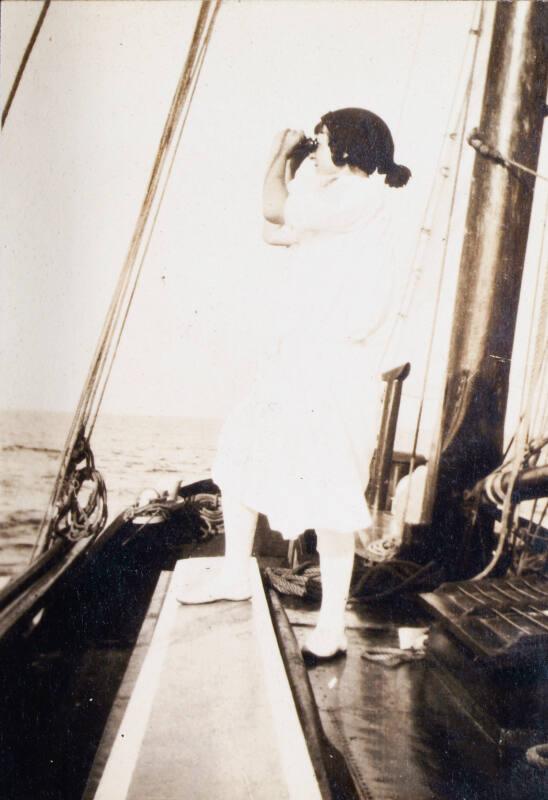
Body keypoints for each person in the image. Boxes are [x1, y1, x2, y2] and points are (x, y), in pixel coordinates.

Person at [177, 108, 411, 661]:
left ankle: (330, 627)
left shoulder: (361, 197)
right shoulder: (335, 206)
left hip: (334, 370)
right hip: (297, 363)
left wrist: (281, 154)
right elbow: (271, 229)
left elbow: (271, 205)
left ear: (348, 153)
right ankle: (237, 572)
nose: (316, 146)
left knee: (330, 493)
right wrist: (305, 163)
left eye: (324, 140)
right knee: (239, 453)